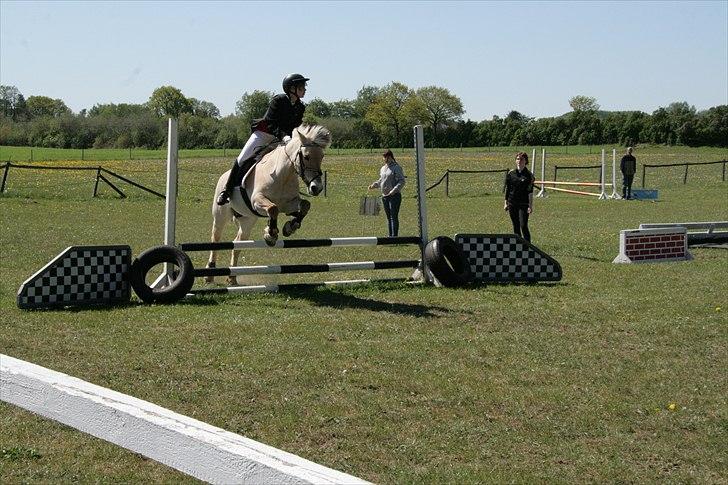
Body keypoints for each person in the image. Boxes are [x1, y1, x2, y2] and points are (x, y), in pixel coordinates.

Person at [216, 73, 309, 205]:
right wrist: (284, 136)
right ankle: (227, 190)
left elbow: (295, 126)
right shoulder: (278, 100)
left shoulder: (300, 107)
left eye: (304, 87)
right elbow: (271, 123)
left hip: (282, 139)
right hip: (264, 134)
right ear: (291, 89)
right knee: (242, 158)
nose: (304, 90)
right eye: (301, 87)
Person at [368, 149, 406, 237]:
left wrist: (393, 191)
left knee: (393, 217)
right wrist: (374, 185)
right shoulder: (383, 168)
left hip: (394, 196)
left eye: (386, 157)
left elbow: (402, 181)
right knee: (389, 218)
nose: (384, 159)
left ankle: (394, 237)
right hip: (384, 196)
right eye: (384, 157)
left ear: (390, 157)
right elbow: (381, 180)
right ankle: (390, 237)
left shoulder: (397, 167)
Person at [504, 151, 535, 242]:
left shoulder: (529, 175)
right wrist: (505, 203)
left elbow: (530, 192)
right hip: (512, 202)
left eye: (521, 159)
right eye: (517, 159)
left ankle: (528, 246)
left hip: (523, 203)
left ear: (525, 161)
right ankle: (518, 245)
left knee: (523, 225)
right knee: (515, 225)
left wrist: (530, 205)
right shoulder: (511, 174)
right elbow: (508, 189)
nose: (519, 161)